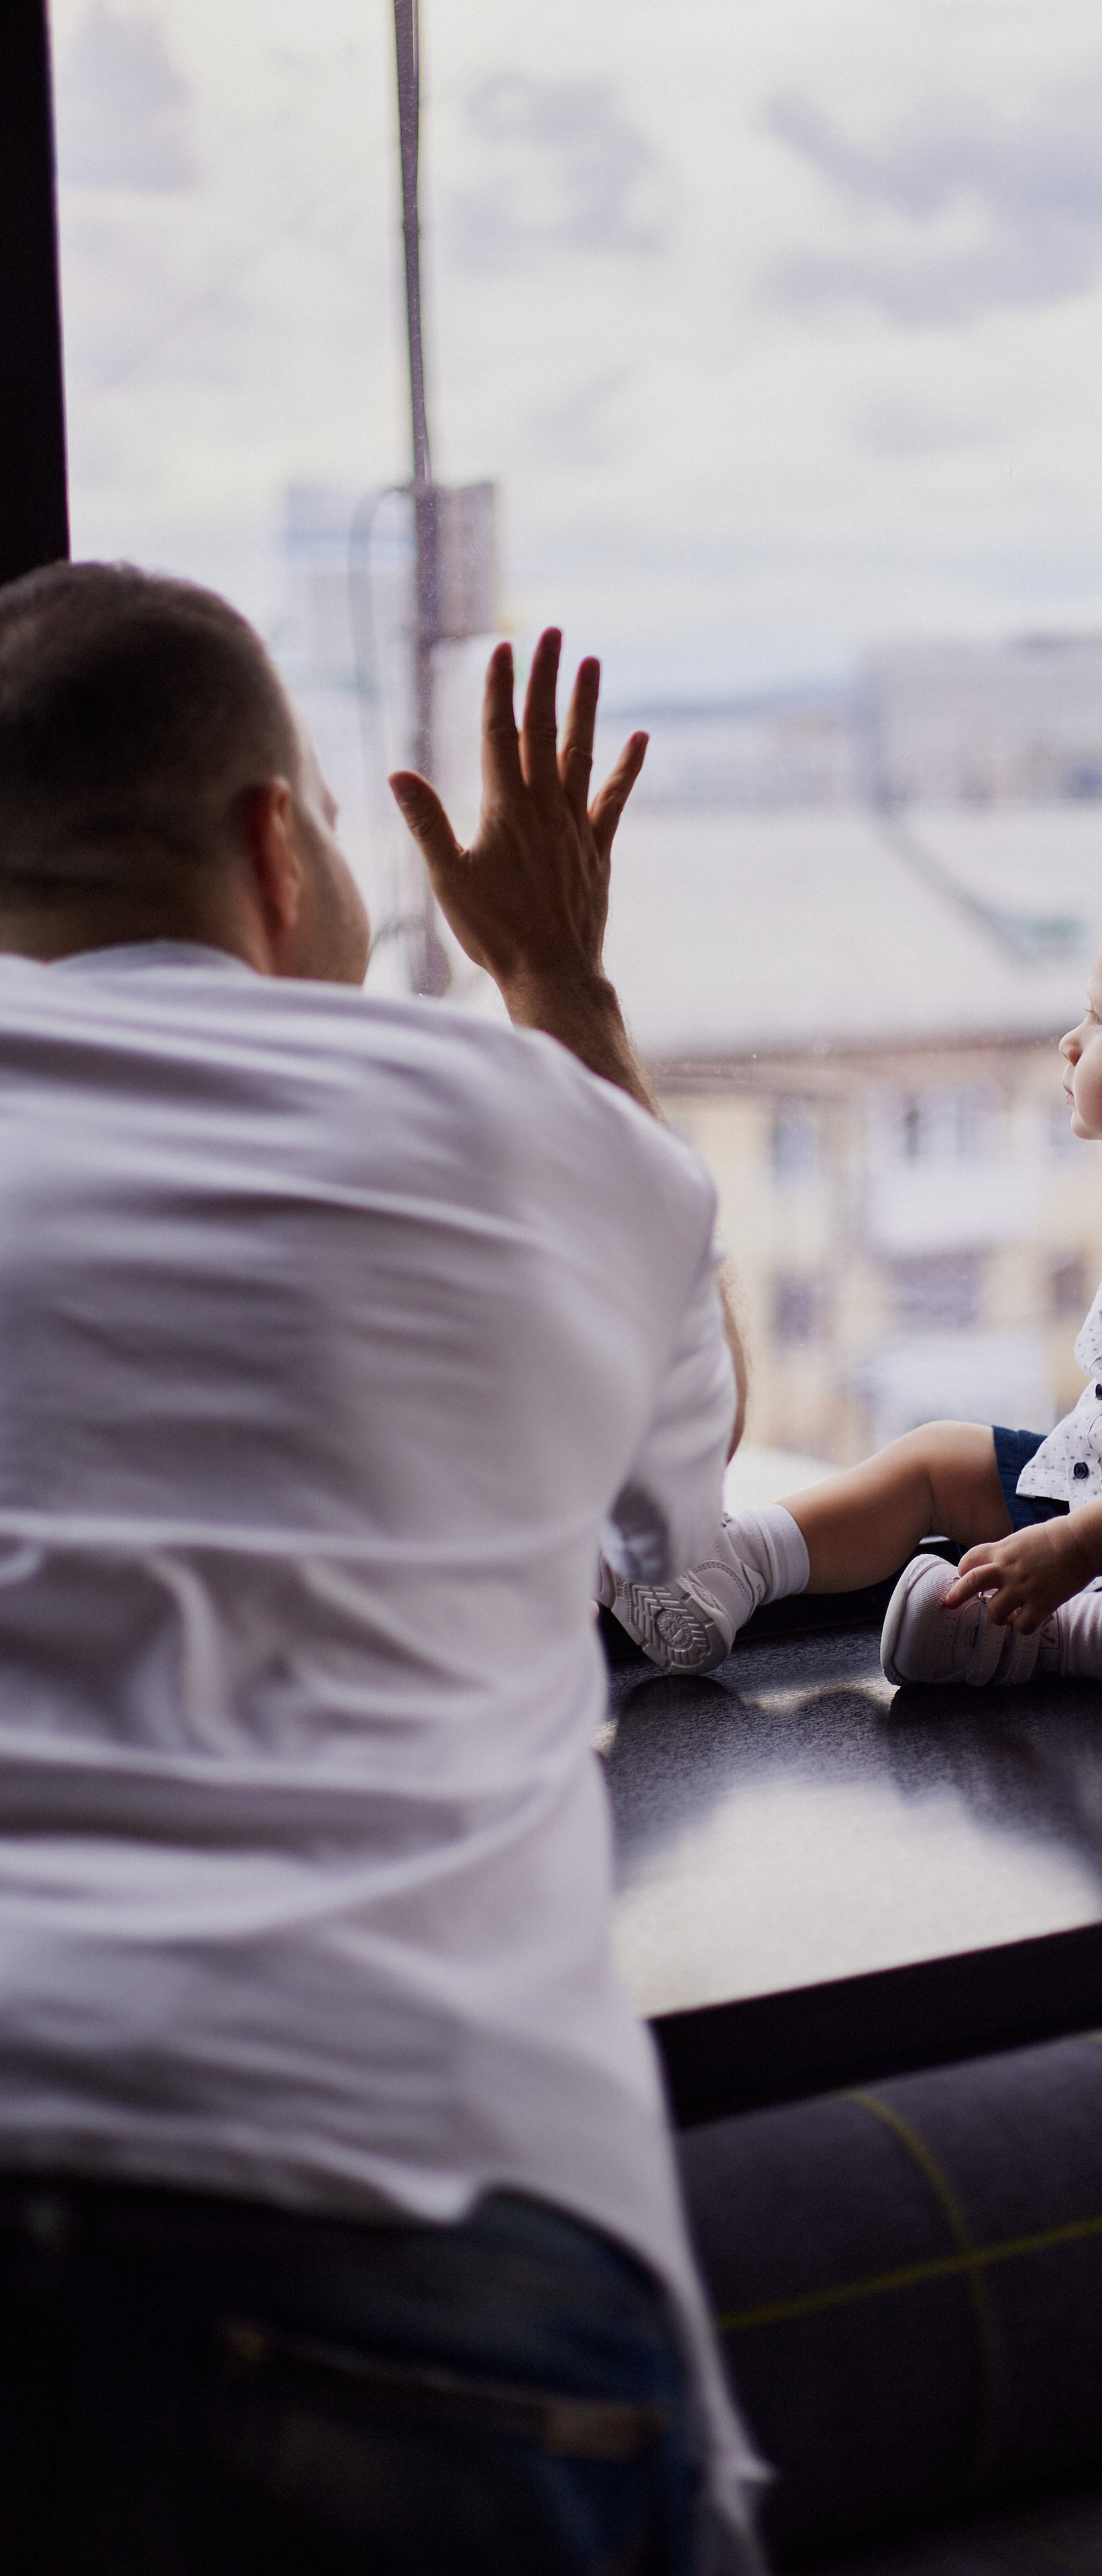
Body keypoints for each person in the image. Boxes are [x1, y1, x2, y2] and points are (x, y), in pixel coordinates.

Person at [0, 561, 763, 2573]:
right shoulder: (502, 1108)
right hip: (395, 2209)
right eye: (330, 809)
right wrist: (561, 987)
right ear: (276, 844)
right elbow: (675, 1537)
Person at [604, 864, 1102, 1697]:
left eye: (1100, 1020)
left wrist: (1075, 1551)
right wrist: (1080, 1532)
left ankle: (1053, 1636)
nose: (1071, 1040)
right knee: (934, 1459)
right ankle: (730, 1568)